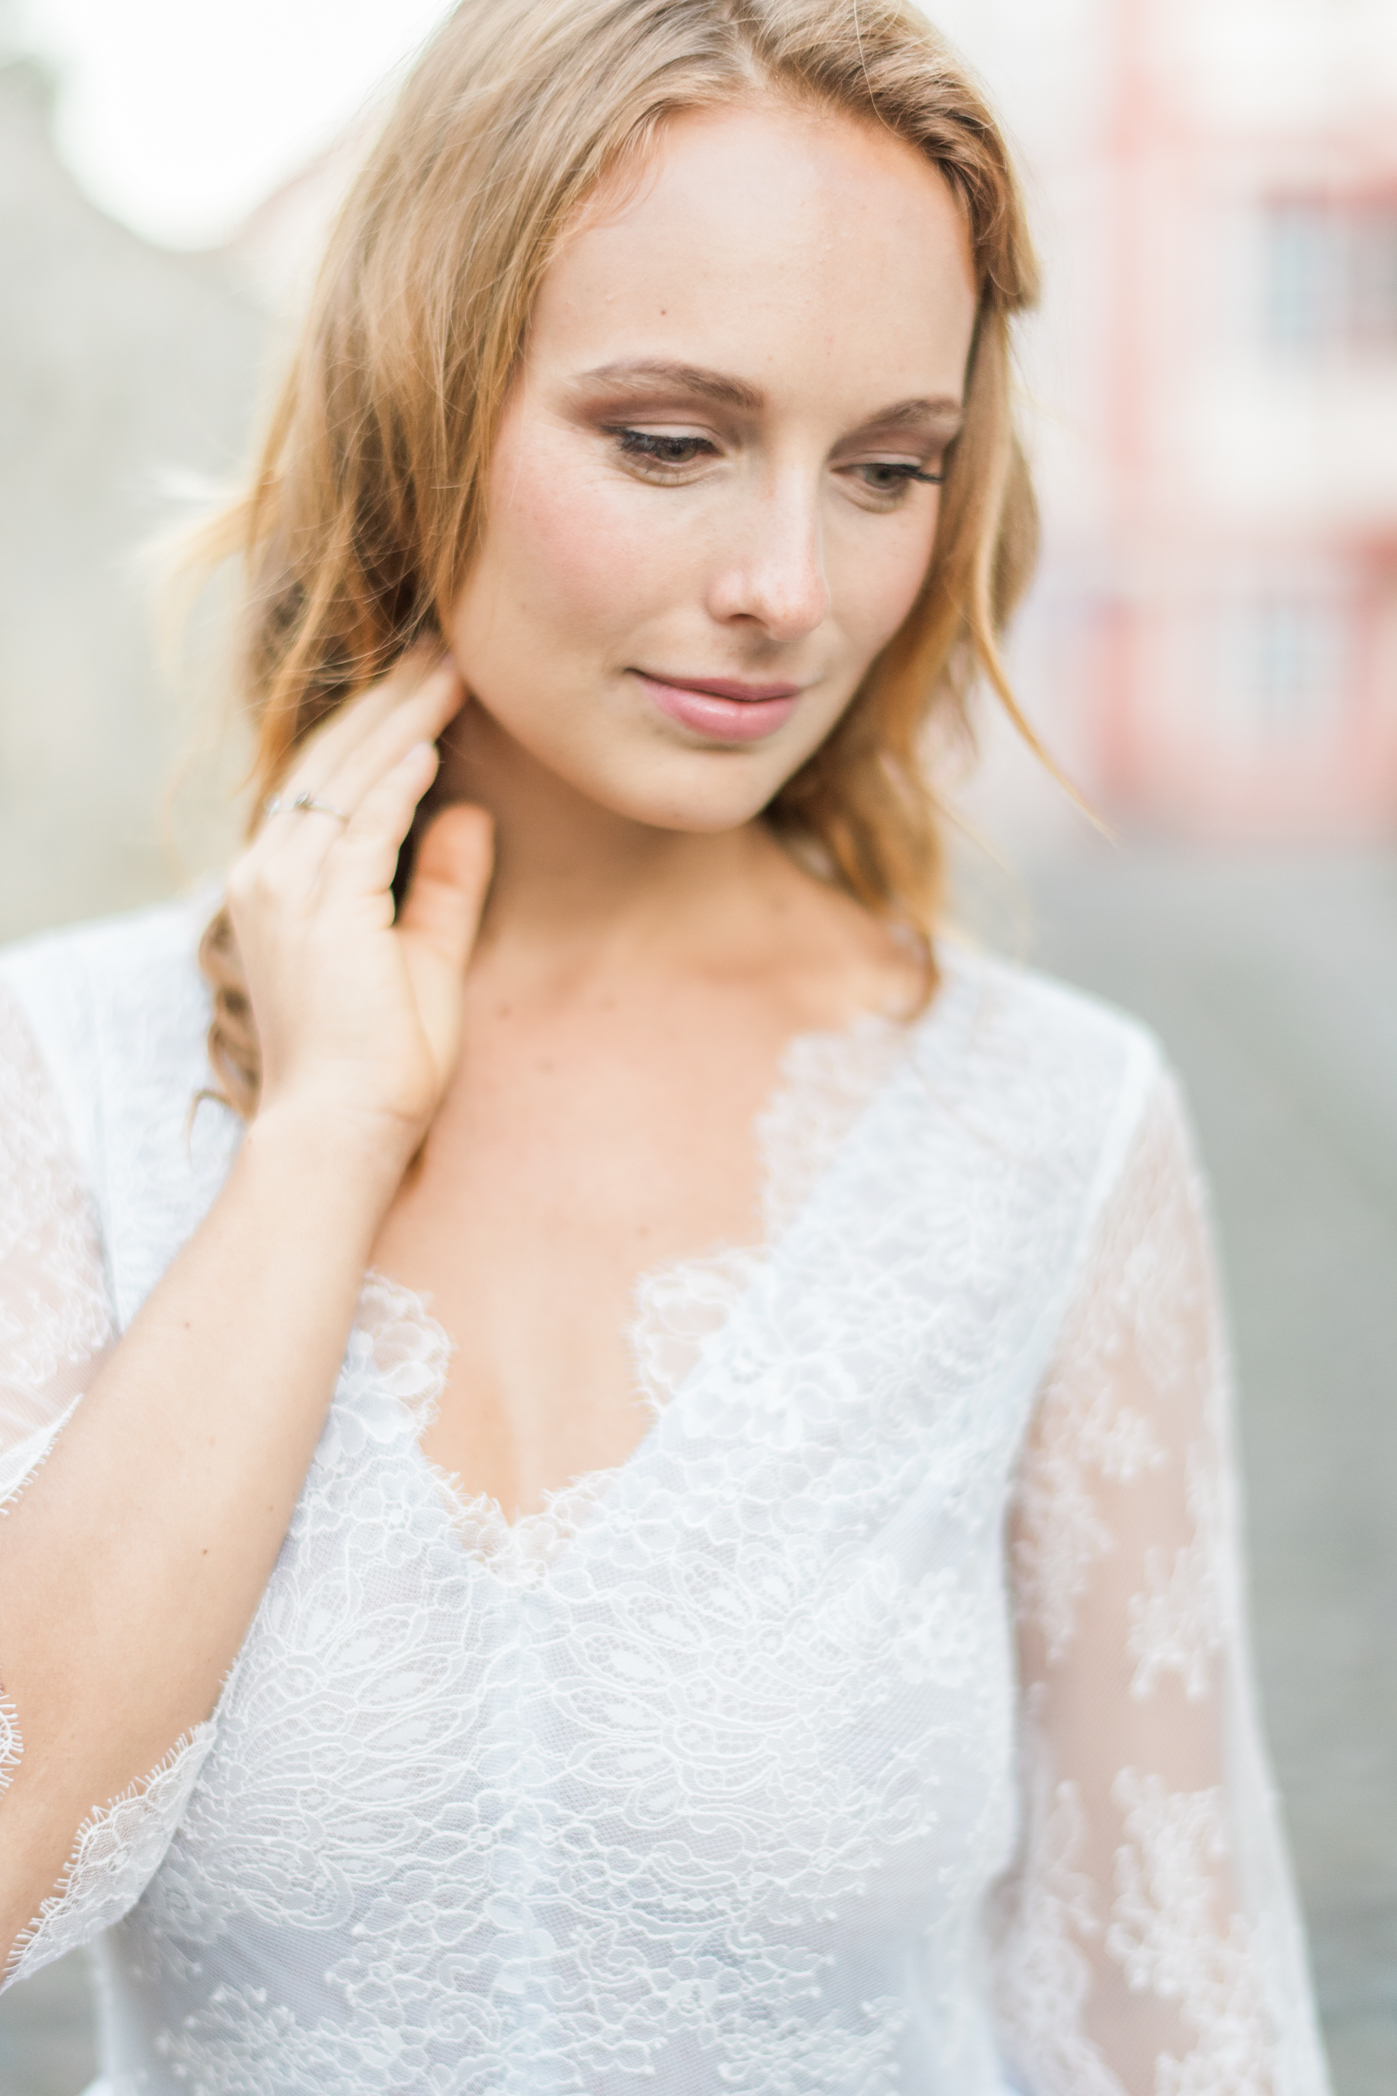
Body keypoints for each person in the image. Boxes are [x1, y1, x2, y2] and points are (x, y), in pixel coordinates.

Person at [0, 1, 1332, 2090]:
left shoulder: (1049, 1131)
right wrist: (321, 1137)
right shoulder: (60, 1073)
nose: (792, 586)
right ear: (418, 405)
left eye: (887, 470)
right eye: (669, 442)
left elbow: (1177, 2024)